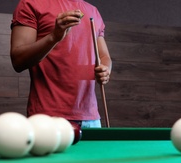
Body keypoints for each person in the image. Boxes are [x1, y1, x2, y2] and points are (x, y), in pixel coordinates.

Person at [10, 0, 112, 128]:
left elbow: (104, 57)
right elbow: (18, 61)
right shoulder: (31, 4)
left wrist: (105, 69)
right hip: (47, 118)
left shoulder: (93, 11)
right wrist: (54, 37)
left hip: (91, 119)